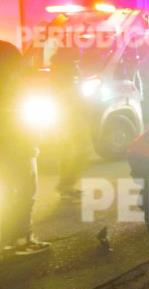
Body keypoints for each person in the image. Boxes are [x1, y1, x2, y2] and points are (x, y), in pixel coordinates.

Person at [0, 41, 51, 255]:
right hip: (19, 146)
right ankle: (21, 238)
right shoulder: (14, 89)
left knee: (10, 192)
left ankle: (9, 237)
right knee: (23, 191)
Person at [52, 48, 90, 201]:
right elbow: (66, 95)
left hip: (71, 116)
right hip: (69, 117)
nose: (77, 60)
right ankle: (66, 184)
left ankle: (66, 185)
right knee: (78, 150)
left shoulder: (66, 70)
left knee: (68, 151)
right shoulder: (63, 72)